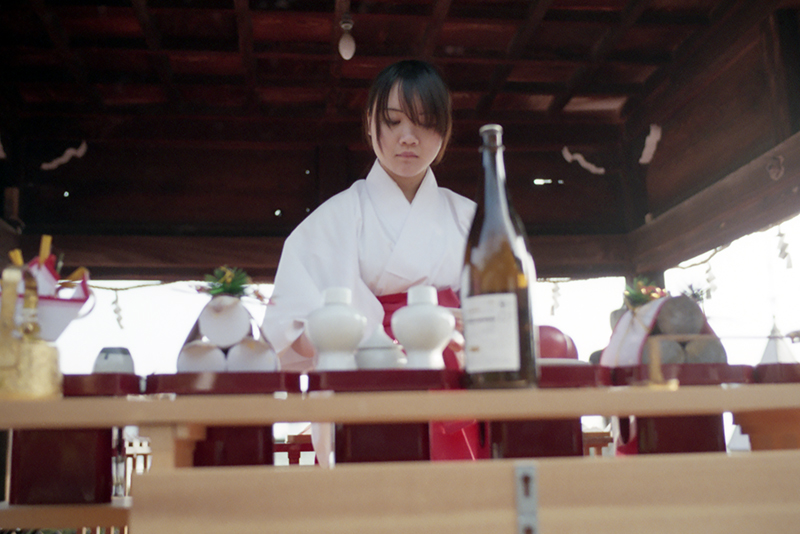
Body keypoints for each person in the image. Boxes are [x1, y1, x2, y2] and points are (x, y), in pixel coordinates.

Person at [261, 59, 484, 463]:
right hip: (361, 389)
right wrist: (359, 340)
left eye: (424, 122)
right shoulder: (331, 221)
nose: (408, 137)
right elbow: (288, 328)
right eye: (394, 121)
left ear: (446, 129)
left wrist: (462, 330)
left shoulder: (471, 219)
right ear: (369, 123)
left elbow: (502, 316)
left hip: (458, 388)